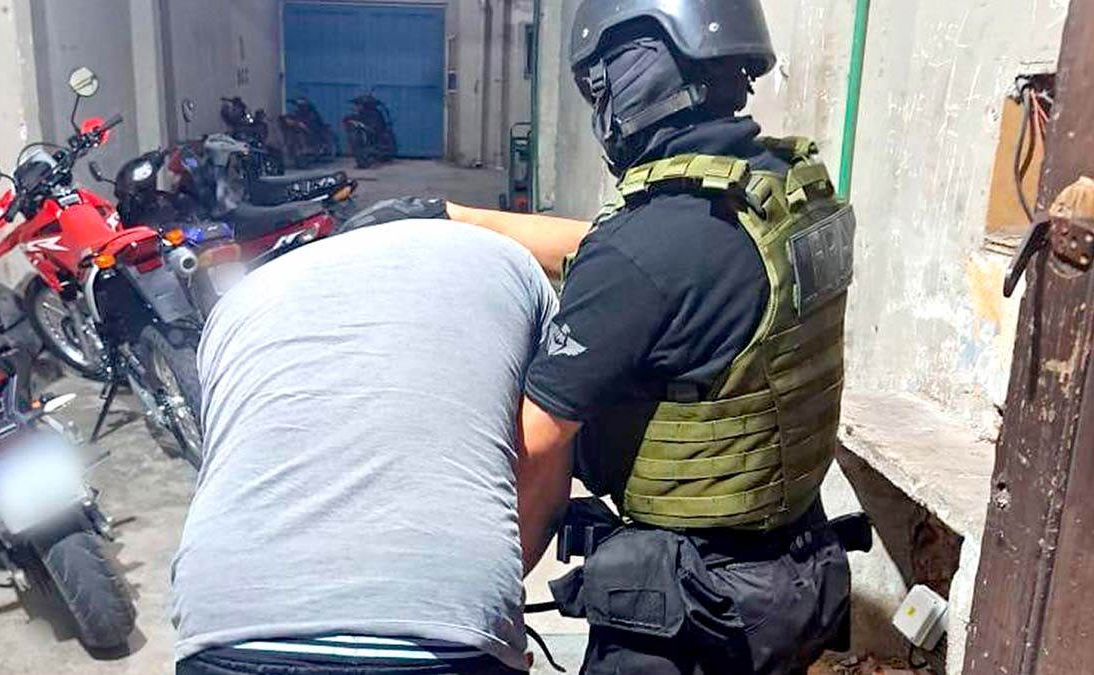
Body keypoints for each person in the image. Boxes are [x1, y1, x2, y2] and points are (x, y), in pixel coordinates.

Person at [444, 1, 865, 672]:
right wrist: (456, 218)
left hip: (694, 613)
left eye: (600, 86)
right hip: (793, 569)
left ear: (635, 77)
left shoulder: (647, 245)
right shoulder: (780, 191)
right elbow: (618, 255)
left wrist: (477, 602)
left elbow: (535, 443)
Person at [170, 218, 574, 675]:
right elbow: (540, 455)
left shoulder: (241, 300)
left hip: (221, 613)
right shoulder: (514, 269)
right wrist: (482, 603)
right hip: (438, 630)